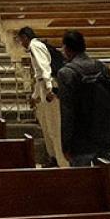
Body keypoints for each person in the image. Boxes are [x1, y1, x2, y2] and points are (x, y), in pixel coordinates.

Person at [56, 29, 110, 209]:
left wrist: (66, 145)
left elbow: (67, 111)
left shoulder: (66, 73)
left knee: (81, 184)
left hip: (81, 139)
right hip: (106, 134)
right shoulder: (102, 67)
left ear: (67, 49)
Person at [16, 26, 67, 167]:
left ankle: (61, 162)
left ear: (25, 38)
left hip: (50, 90)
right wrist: (35, 95)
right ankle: (54, 158)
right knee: (49, 128)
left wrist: (49, 89)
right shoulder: (37, 46)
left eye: (21, 40)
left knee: (54, 128)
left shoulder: (35, 45)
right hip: (44, 89)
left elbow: (45, 69)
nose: (21, 44)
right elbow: (39, 76)